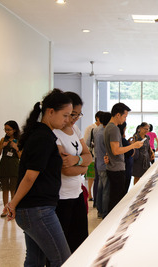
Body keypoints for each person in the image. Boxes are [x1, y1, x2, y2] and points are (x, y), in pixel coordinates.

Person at [3, 89, 72, 266]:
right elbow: (29, 177)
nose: (67, 120)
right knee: (63, 260)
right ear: (50, 112)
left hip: (34, 209)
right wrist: (13, 204)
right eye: (65, 115)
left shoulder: (43, 135)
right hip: (37, 210)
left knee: (35, 260)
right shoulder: (43, 137)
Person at [53, 91, 92, 253]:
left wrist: (78, 161)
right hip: (61, 197)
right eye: (71, 114)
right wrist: (83, 165)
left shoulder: (75, 129)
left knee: (80, 242)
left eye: (78, 114)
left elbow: (88, 156)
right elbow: (66, 170)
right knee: (62, 248)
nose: (74, 118)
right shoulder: (55, 133)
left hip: (76, 193)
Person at [104, 103, 143, 212]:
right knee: (116, 200)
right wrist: (133, 146)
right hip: (116, 169)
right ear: (117, 115)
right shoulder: (114, 129)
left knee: (114, 198)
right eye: (124, 116)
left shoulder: (108, 127)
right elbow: (116, 150)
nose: (125, 119)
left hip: (113, 168)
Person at [0, 120, 21, 217]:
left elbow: (20, 156)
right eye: (5, 129)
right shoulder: (3, 140)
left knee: (13, 189)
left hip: (14, 166)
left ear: (14, 130)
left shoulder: (19, 140)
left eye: (9, 129)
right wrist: (1, 147)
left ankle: (13, 209)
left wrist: (16, 148)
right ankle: (5, 209)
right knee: (5, 188)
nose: (7, 131)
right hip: (4, 165)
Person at [94, 112, 111, 219]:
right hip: (105, 165)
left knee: (100, 188)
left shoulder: (97, 131)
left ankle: (100, 211)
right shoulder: (105, 133)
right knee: (106, 190)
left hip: (98, 163)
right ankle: (105, 213)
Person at [84, 111, 102, 202]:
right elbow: (86, 142)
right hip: (91, 155)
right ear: (98, 118)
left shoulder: (101, 128)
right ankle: (90, 194)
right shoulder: (91, 128)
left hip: (98, 155)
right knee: (91, 175)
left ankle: (94, 194)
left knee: (97, 176)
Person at [118, 122, 134, 197]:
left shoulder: (122, 139)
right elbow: (131, 152)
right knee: (123, 191)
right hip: (125, 167)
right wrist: (132, 146)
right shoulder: (121, 140)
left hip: (124, 167)